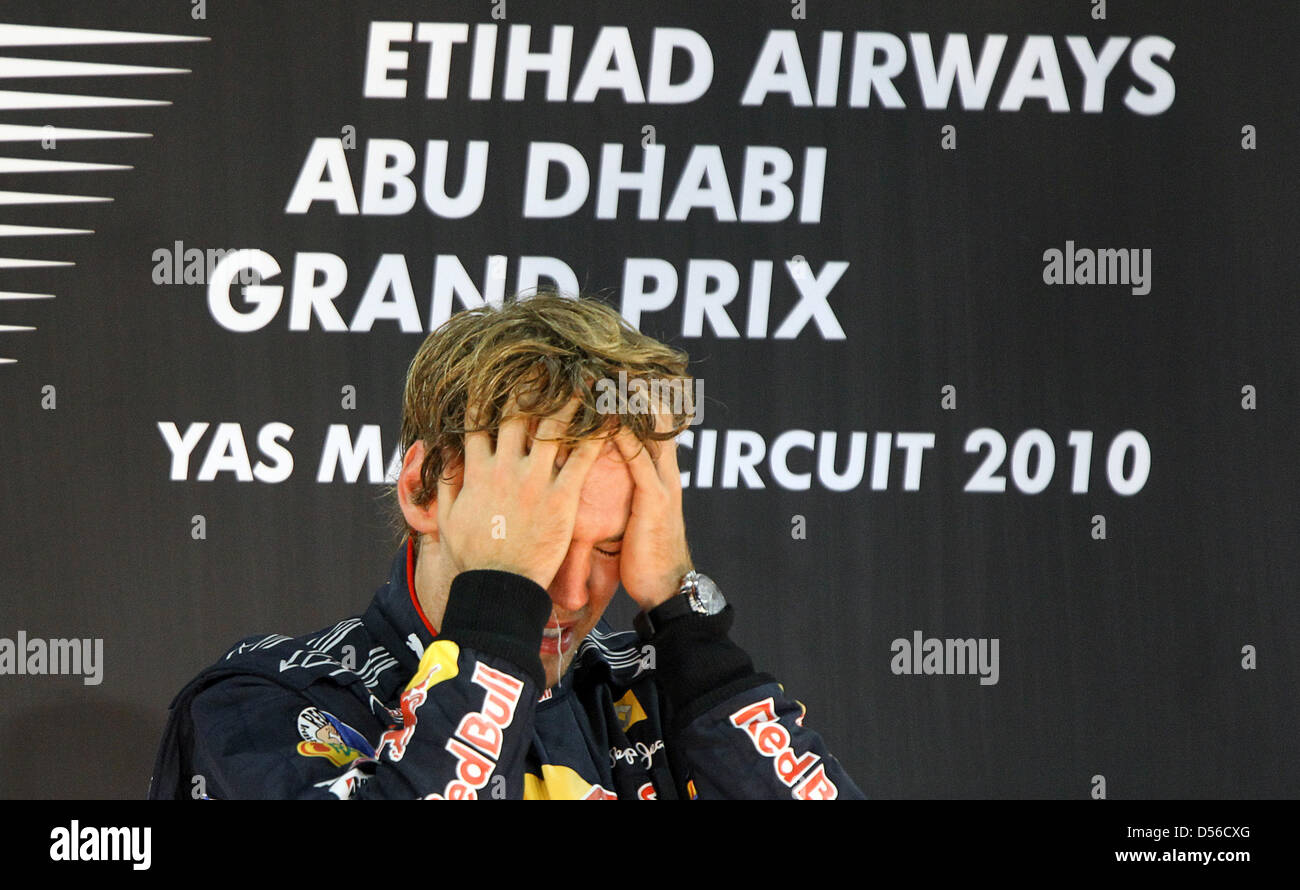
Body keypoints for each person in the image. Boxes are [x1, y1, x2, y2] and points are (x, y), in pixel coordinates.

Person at [149, 293, 863, 799]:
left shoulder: (662, 694)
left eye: (611, 547)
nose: (576, 592)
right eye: (541, 540)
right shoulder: (265, 703)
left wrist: (685, 617)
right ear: (425, 493)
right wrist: (496, 619)